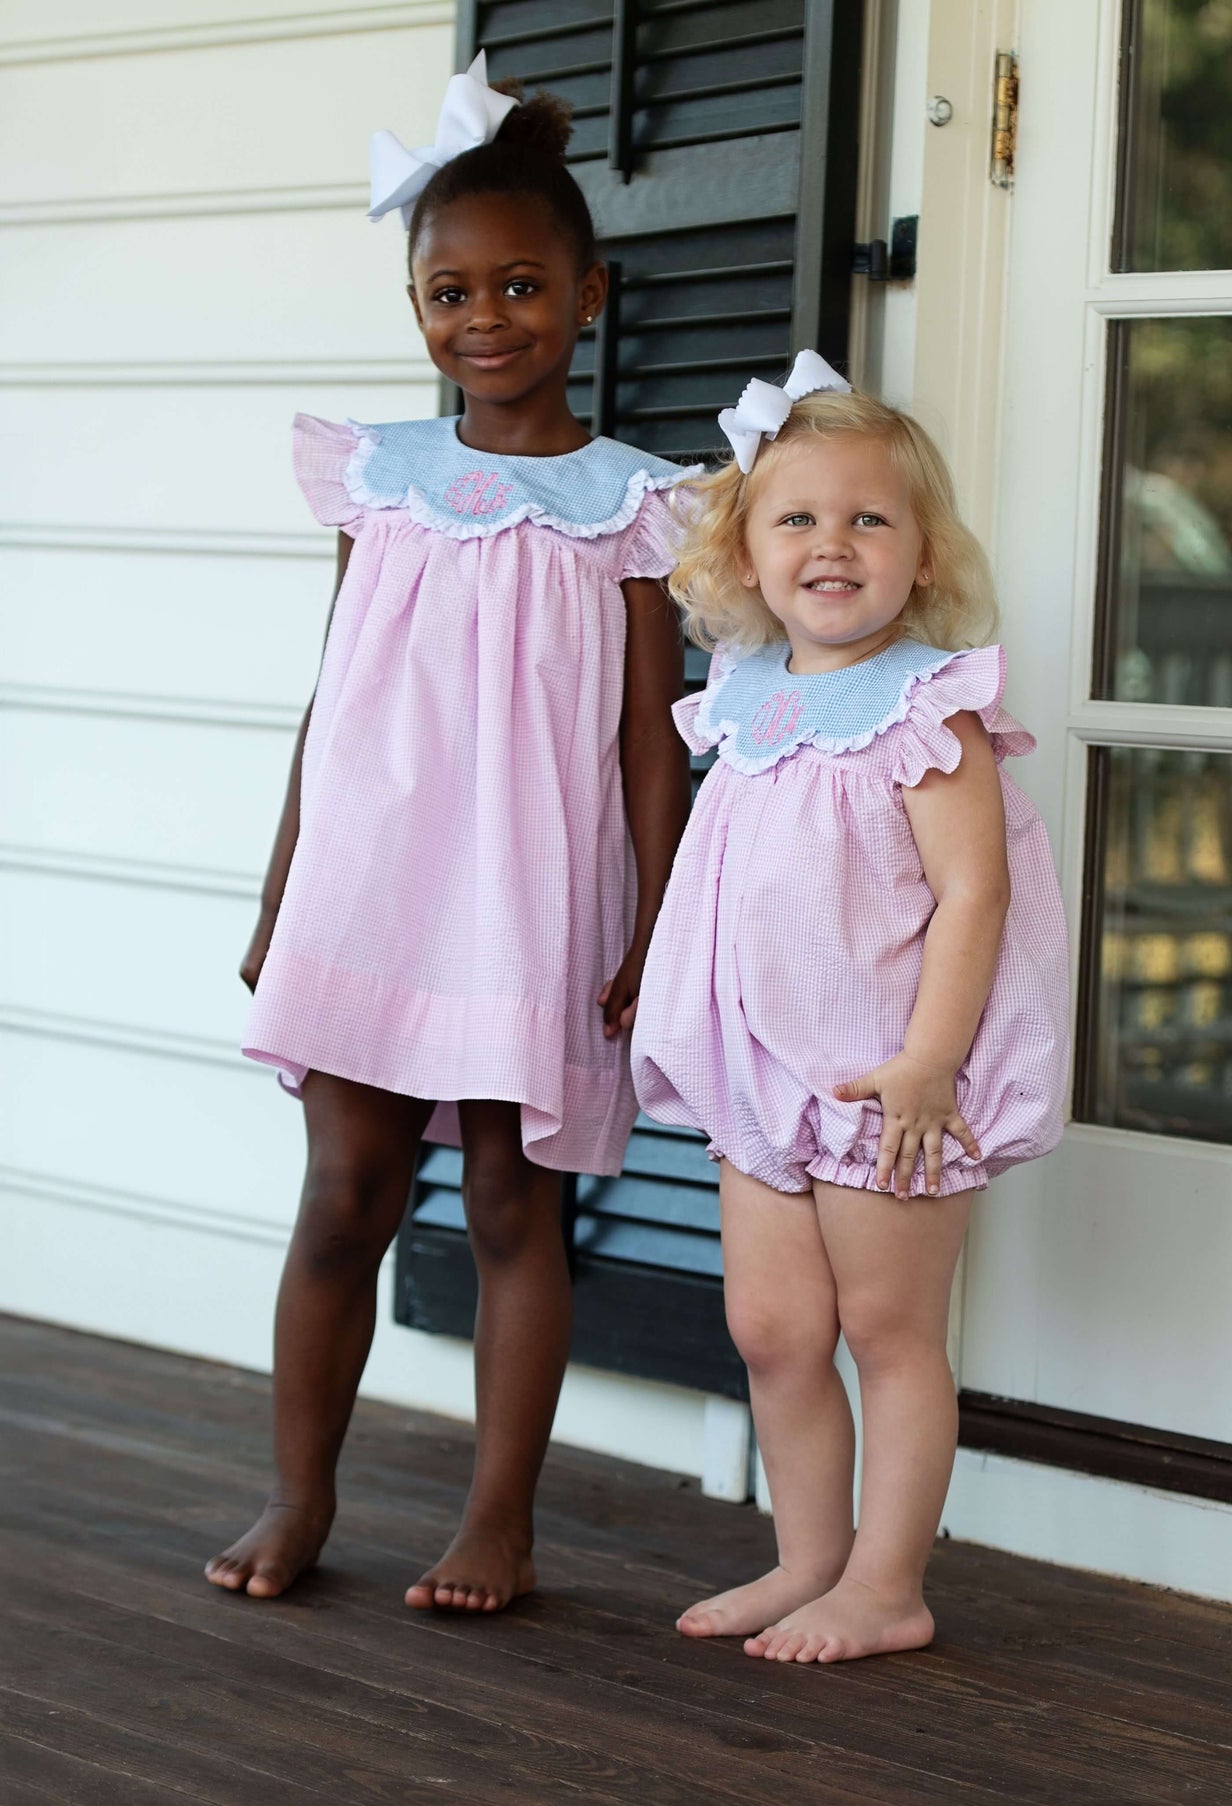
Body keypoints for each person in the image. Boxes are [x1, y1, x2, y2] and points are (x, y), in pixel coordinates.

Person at [205, 55, 693, 1609]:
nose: (484, 318)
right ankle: (298, 1495)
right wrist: (283, 893)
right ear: (419, 308)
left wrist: (652, 915)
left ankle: (500, 1517)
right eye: (448, 292)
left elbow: (642, 738)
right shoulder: (382, 481)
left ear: (589, 296)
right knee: (342, 1190)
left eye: (521, 285)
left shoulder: (632, 505)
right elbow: (329, 701)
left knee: (504, 1197)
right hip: (370, 875)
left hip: (531, 892)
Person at [631, 357, 1069, 1663]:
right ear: (747, 555)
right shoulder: (746, 699)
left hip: (889, 1077)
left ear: (923, 556)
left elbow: (973, 894)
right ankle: (806, 1557)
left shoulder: (931, 705)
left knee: (887, 1330)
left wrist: (931, 1059)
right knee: (771, 1329)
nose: (832, 542)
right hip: (762, 1074)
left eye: (868, 518)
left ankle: (886, 1583)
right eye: (795, 519)